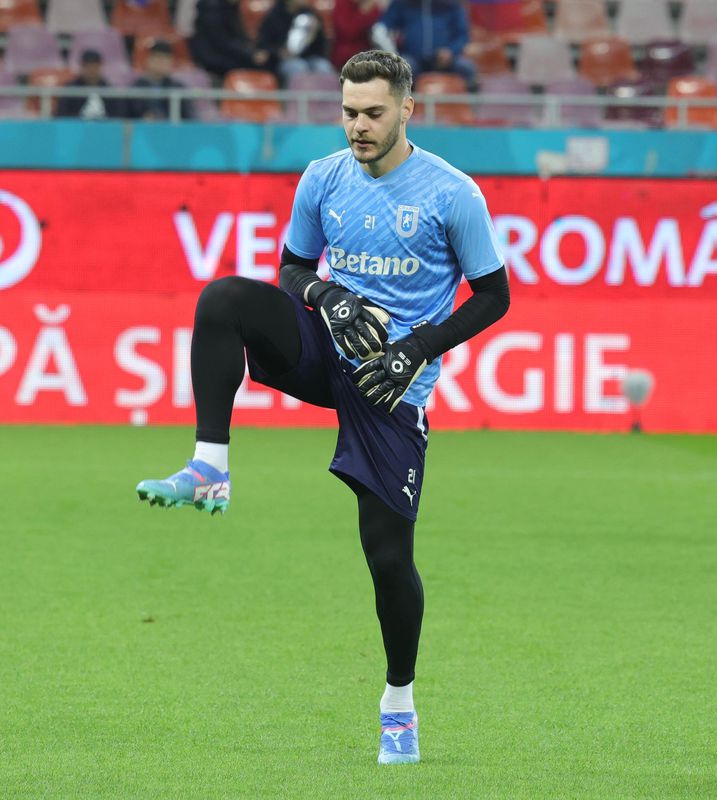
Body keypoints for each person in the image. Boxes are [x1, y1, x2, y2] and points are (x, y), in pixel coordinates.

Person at [136, 50, 510, 765]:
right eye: (348, 112)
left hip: (391, 384)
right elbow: (292, 268)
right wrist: (326, 295)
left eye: (373, 113)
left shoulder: (452, 193)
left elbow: (494, 296)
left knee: (388, 561)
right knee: (224, 299)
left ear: (407, 110)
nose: (358, 125)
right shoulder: (323, 178)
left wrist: (416, 349)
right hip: (324, 350)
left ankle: (398, 703)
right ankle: (209, 466)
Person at [377, 0, 476, 85]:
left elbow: (463, 35)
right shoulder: (403, 3)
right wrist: (392, 53)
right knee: (401, 70)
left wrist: (451, 51)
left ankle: (470, 102)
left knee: (467, 68)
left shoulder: (451, 4)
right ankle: (406, 101)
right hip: (414, 58)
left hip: (445, 59)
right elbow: (381, 28)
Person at [256, 0, 335, 85]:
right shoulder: (274, 16)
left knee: (323, 67)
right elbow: (264, 46)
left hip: (311, 57)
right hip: (284, 61)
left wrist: (316, 33)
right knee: (298, 68)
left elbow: (321, 46)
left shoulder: (310, 14)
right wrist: (279, 52)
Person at [189, 0, 271, 79]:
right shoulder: (212, 6)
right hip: (213, 57)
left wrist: (252, 50)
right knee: (259, 67)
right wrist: (251, 54)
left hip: (226, 53)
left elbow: (236, 35)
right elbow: (222, 41)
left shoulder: (228, 5)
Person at [128, 40, 194, 121]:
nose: (162, 63)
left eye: (166, 59)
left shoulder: (177, 88)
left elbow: (190, 118)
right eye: (159, 58)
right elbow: (127, 120)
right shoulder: (136, 88)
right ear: (148, 60)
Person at [57, 50, 126, 120]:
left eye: (94, 66)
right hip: (77, 126)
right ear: (81, 66)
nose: (91, 70)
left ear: (100, 66)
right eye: (87, 66)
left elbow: (117, 118)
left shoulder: (109, 91)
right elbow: (62, 116)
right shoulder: (70, 90)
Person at [331, 0, 383, 70]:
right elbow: (348, 33)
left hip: (368, 56)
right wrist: (363, 12)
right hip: (344, 58)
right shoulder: (341, 3)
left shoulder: (373, 7)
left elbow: (379, 29)